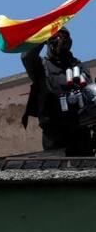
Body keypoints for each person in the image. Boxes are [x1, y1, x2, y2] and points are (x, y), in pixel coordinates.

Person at [21, 28, 95, 156]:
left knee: (84, 170)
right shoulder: (40, 66)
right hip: (54, 131)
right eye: (55, 36)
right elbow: (26, 56)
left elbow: (91, 97)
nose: (60, 40)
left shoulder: (79, 66)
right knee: (57, 170)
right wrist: (43, 35)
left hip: (80, 130)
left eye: (63, 36)